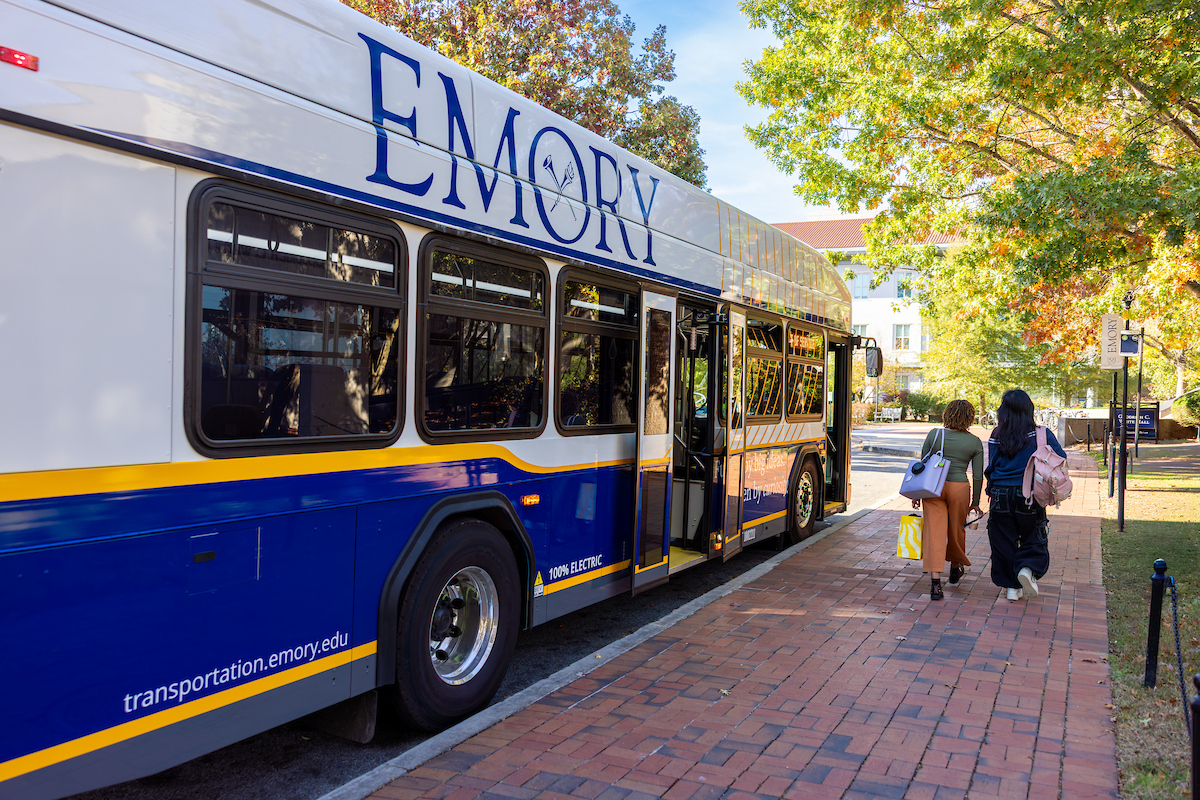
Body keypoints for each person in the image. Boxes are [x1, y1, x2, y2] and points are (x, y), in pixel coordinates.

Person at [984, 388, 1068, 601]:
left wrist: (989, 490)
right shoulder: (1042, 434)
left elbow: (991, 466)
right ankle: (1027, 569)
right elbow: (1061, 457)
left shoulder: (996, 434)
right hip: (1031, 494)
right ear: (1028, 409)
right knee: (1033, 535)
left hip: (1001, 494)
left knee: (1003, 539)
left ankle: (1012, 588)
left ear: (1003, 412)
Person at [913, 399, 984, 600]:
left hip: (933, 487)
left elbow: (922, 466)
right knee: (956, 530)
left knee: (934, 532)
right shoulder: (975, 442)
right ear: (970, 418)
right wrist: (976, 502)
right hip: (959, 487)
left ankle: (935, 584)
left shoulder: (935, 435)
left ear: (947, 414)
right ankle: (955, 567)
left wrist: (918, 494)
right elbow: (978, 475)